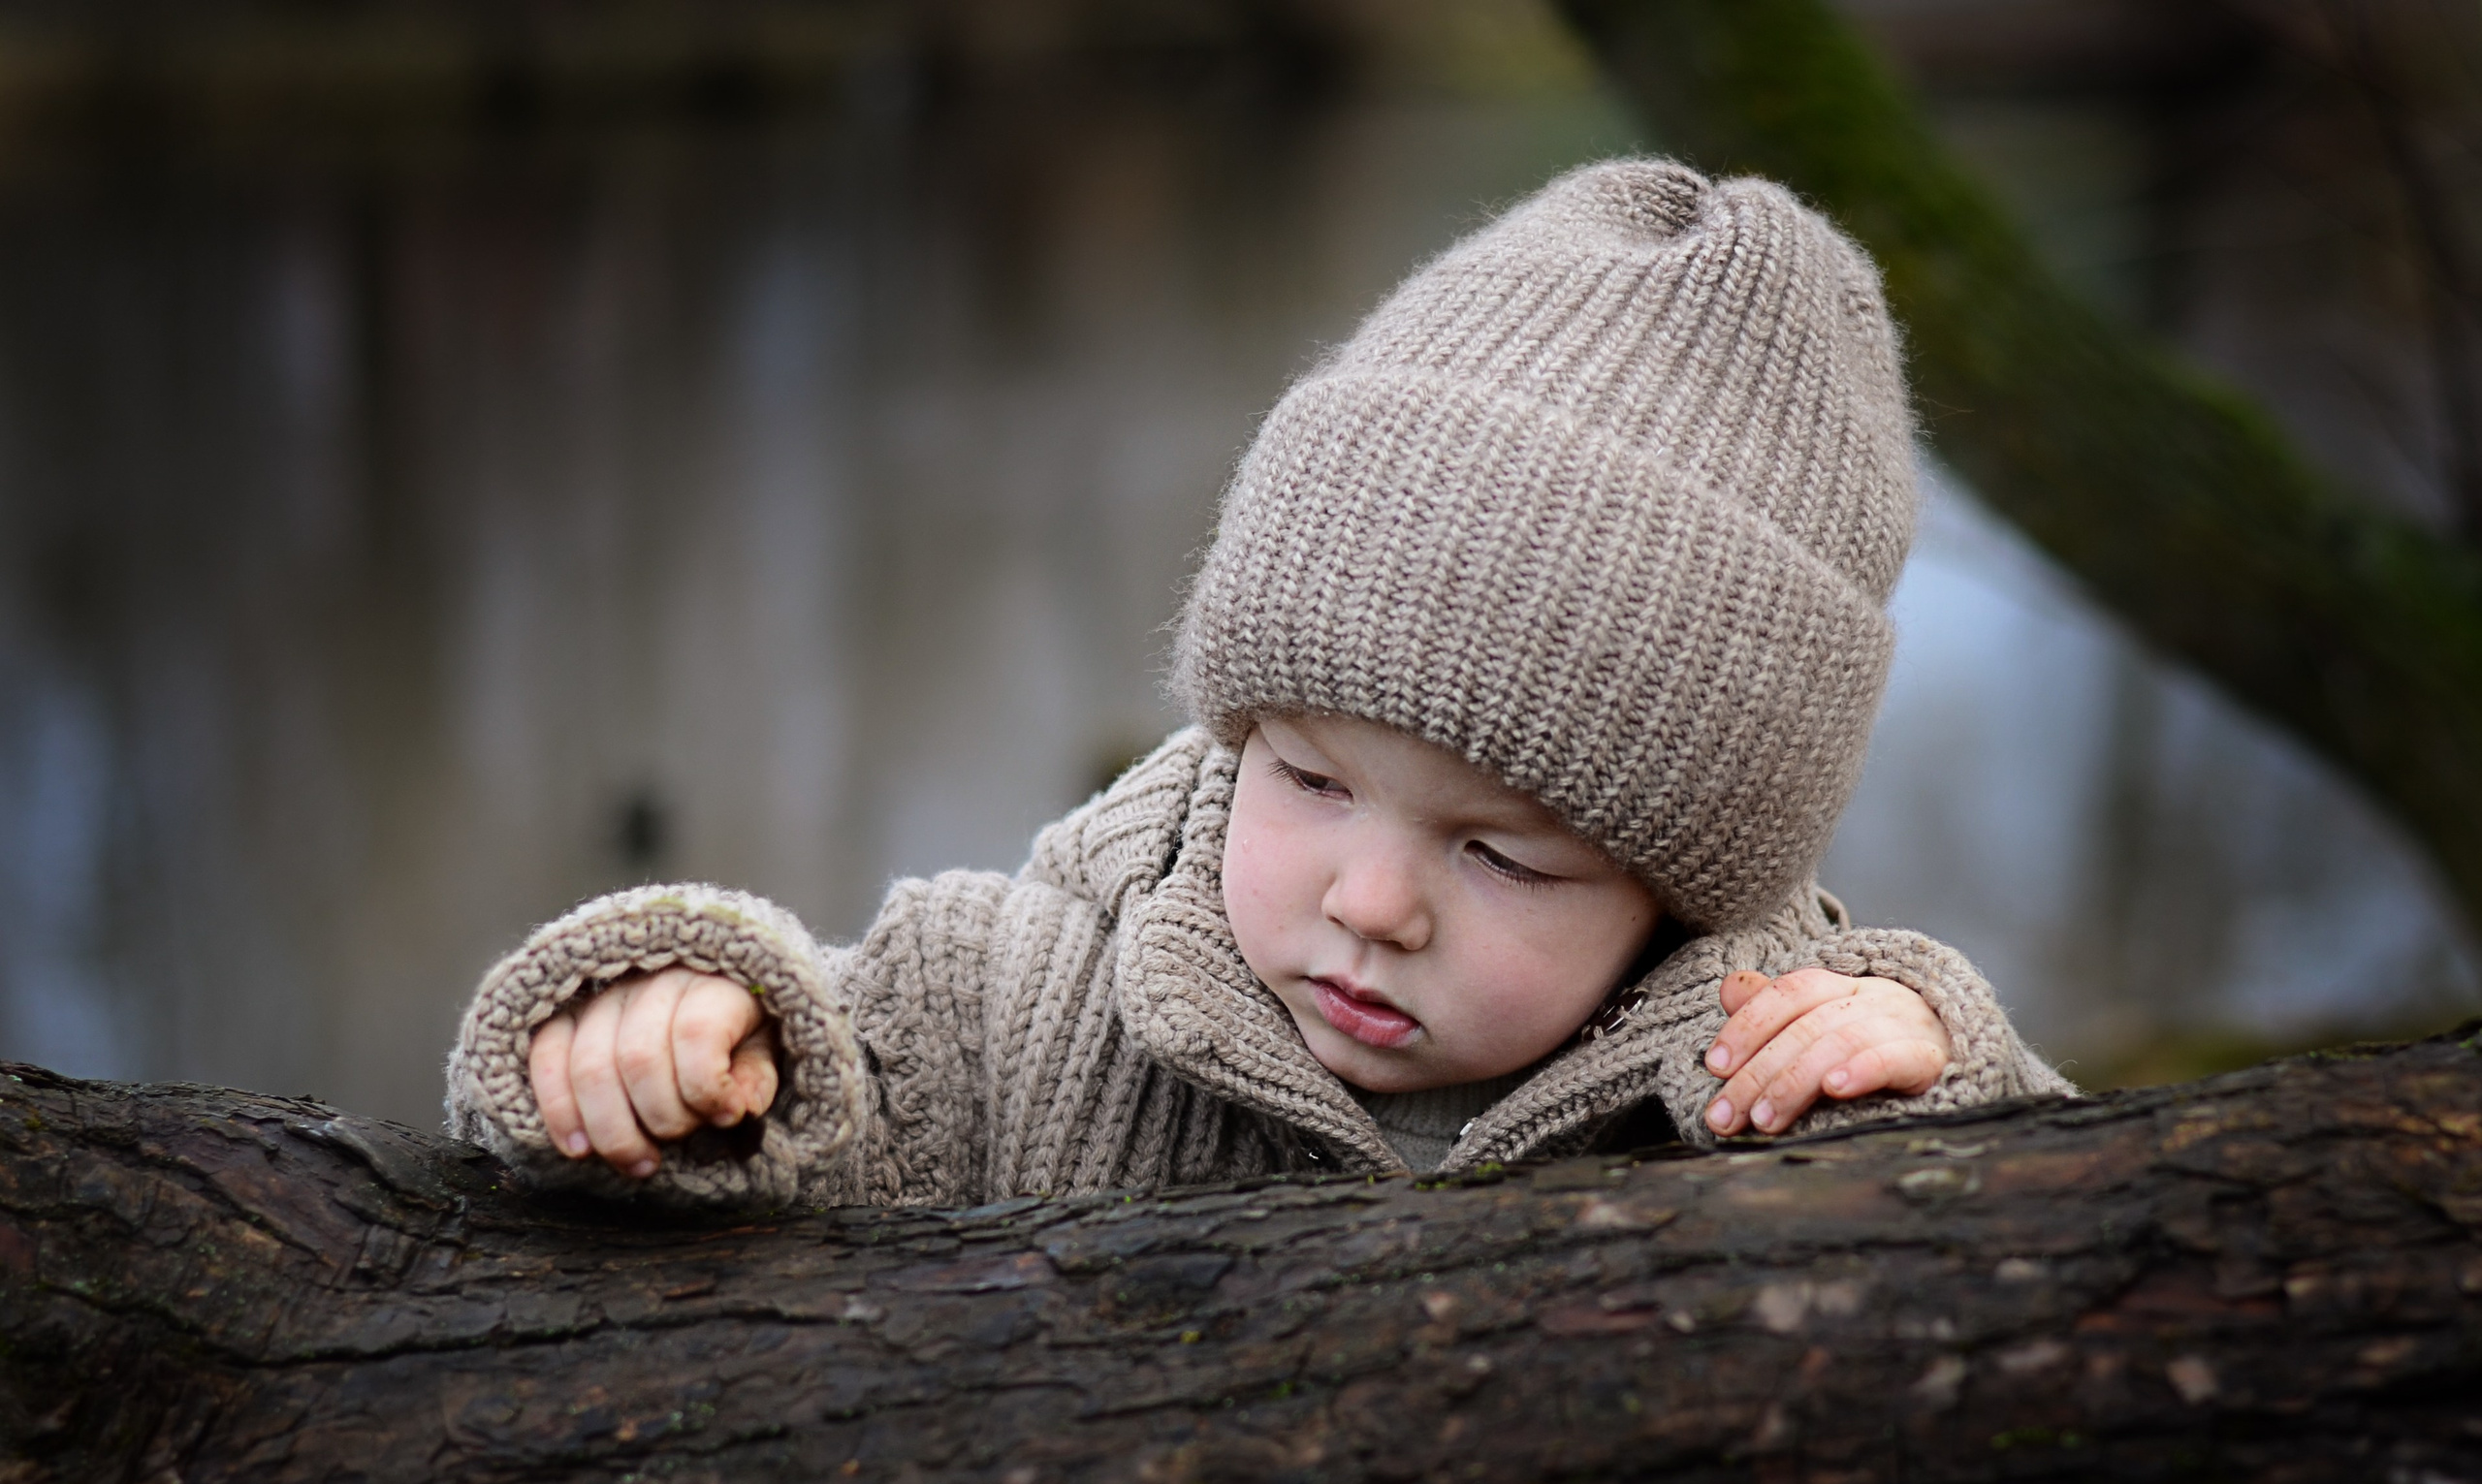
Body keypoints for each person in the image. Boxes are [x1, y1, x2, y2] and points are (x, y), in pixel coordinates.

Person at [445, 159, 2075, 1213]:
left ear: (1684, 882)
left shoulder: (1749, 1078)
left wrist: (1934, 1079)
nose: (1372, 903)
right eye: (1308, 779)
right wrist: (678, 1034)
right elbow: (797, 1113)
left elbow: (2073, 1262)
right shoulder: (1015, 999)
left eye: (1499, 854)